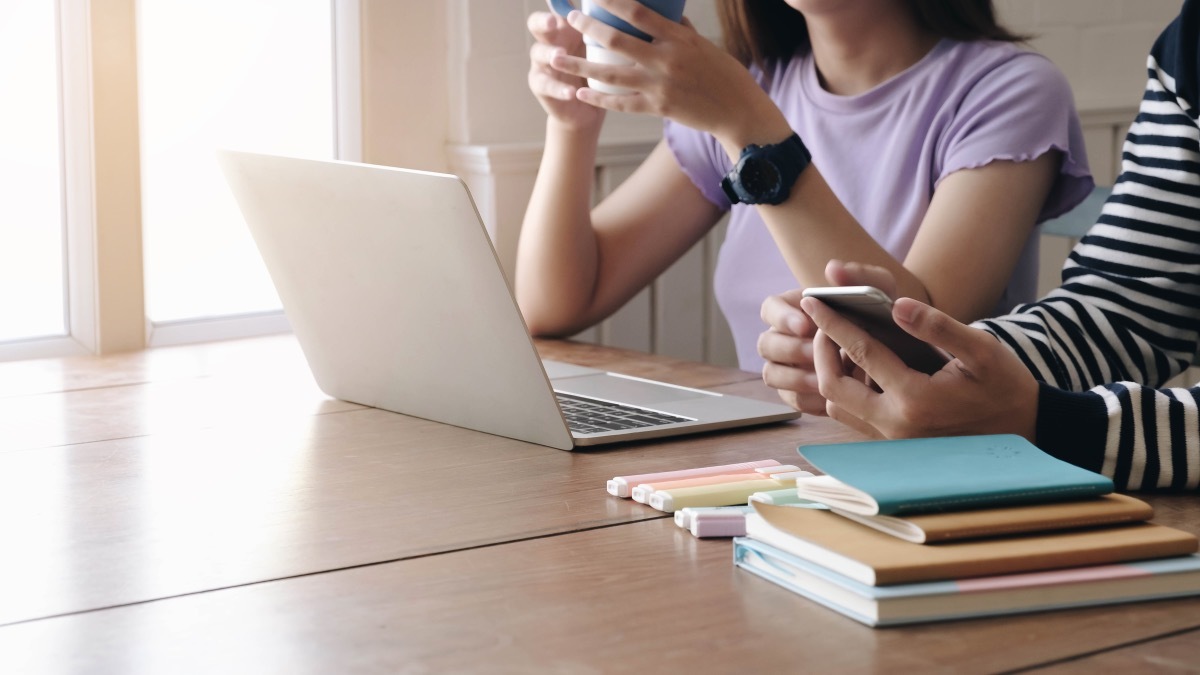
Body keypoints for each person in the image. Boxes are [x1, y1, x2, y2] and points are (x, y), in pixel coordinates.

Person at [758, 0, 1200, 491]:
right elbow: (1131, 306)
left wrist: (1054, 424)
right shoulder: (1191, 42)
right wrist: (927, 361)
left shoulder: (1006, 86)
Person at [517, 0, 1092, 372]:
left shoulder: (1009, 91)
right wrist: (572, 125)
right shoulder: (760, 85)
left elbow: (920, 346)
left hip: (913, 475)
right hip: (759, 473)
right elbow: (558, 304)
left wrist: (750, 129)